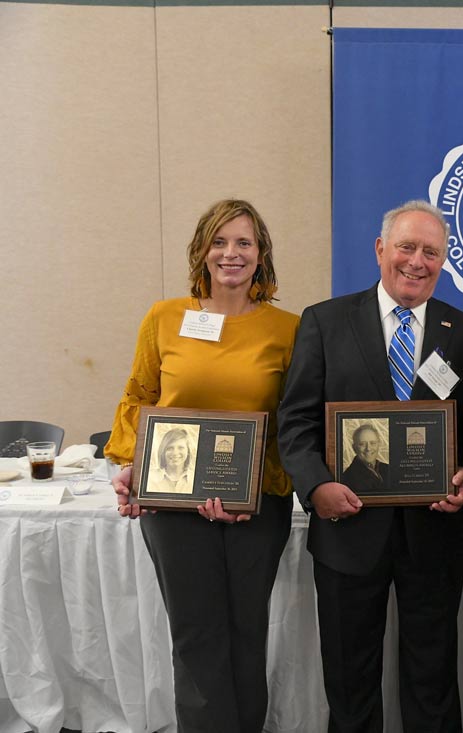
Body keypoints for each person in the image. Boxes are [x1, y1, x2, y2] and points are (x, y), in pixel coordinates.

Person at [277, 200, 463, 732]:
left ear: (444, 261)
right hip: (347, 530)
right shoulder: (324, 322)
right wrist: (317, 485)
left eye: (431, 252)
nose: (417, 261)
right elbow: (296, 422)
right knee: (349, 678)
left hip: (433, 533)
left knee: (433, 677)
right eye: (406, 247)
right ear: (380, 250)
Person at [106, 198, 300, 732]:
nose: (230, 253)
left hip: (256, 506)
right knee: (195, 637)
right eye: (219, 241)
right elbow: (140, 396)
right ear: (201, 250)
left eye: (243, 242)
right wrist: (131, 467)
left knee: (246, 631)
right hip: (172, 505)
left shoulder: (290, 329)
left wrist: (252, 490)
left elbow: (293, 422)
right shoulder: (165, 317)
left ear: (261, 255)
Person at [342, 423, 388, 495]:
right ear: (354, 448)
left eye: (373, 443)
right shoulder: (347, 478)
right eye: (362, 444)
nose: (368, 448)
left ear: (379, 444)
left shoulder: (388, 468)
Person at [146, 428, 195, 493]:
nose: (175, 453)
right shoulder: (150, 478)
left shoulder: (196, 479)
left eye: (181, 448)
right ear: (163, 451)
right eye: (170, 448)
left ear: (188, 451)